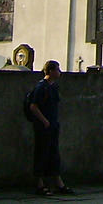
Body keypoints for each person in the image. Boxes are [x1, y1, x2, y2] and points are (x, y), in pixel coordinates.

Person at [28, 60, 74, 196]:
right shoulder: (41, 87)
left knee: (53, 154)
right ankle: (39, 184)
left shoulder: (54, 87)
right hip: (43, 126)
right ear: (50, 71)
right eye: (57, 69)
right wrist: (45, 121)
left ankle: (58, 183)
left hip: (53, 124)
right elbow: (33, 106)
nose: (59, 72)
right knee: (42, 153)